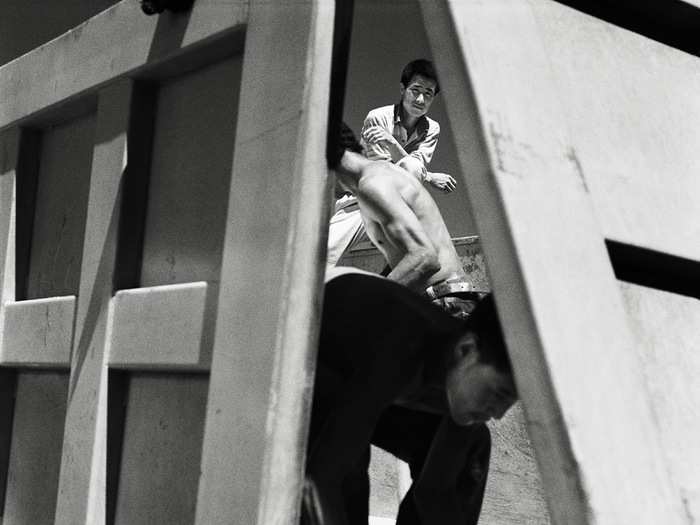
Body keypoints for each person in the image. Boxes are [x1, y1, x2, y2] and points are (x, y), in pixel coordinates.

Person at [303, 270, 517, 525]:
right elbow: (321, 478)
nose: (498, 413)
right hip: (315, 368)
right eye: (497, 394)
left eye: (509, 402)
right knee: (346, 470)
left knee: (473, 446)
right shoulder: (400, 349)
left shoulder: (457, 380)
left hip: (378, 393)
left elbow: (434, 491)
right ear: (466, 350)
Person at [332, 126, 482, 319]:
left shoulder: (372, 184)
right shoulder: (378, 179)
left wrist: (363, 306)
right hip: (439, 301)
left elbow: (425, 258)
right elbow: (410, 260)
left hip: (446, 305)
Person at [326, 59, 457, 267]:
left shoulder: (432, 128)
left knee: (412, 168)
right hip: (361, 199)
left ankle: (402, 252)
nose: (421, 99)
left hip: (399, 203)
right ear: (402, 89)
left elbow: (413, 168)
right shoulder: (377, 117)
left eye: (429, 94)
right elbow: (382, 174)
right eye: (415, 90)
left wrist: (391, 143)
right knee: (323, 254)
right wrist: (431, 177)